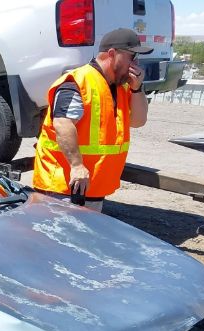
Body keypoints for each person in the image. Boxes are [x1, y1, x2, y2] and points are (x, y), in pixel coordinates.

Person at [33, 28, 153, 212]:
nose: (135, 63)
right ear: (112, 54)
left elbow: (138, 121)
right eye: (132, 56)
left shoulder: (122, 87)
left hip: (92, 188)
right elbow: (62, 124)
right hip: (63, 187)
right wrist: (77, 165)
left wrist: (137, 89)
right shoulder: (77, 82)